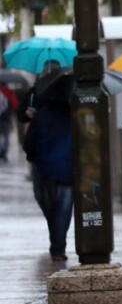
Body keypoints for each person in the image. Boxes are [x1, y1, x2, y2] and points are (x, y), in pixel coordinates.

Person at [24, 97, 73, 261]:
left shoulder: (41, 116)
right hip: (68, 170)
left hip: (45, 171)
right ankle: (58, 247)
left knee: (51, 208)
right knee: (63, 210)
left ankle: (56, 241)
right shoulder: (73, 115)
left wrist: (33, 158)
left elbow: (28, 144)